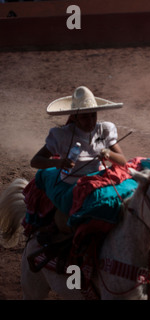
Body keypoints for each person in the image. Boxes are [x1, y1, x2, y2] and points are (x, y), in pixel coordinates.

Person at [23, 86, 135, 237]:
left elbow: (122, 161)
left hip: (98, 180)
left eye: (93, 116)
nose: (90, 121)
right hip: (72, 185)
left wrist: (108, 154)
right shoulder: (62, 135)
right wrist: (59, 163)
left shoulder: (105, 129)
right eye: (84, 117)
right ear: (74, 117)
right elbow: (36, 161)